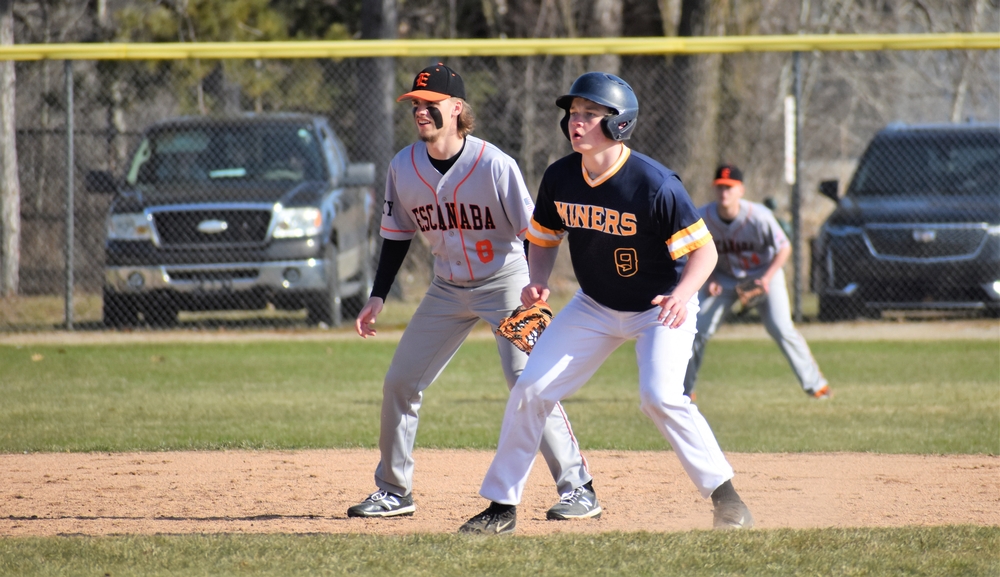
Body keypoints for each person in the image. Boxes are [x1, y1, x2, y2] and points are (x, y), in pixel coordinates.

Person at [458, 72, 754, 535]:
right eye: (573, 114)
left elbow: (706, 252)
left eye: (590, 115)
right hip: (593, 306)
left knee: (659, 397)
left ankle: (728, 500)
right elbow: (543, 237)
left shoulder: (654, 184)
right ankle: (501, 507)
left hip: (659, 308)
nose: (576, 123)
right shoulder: (560, 177)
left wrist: (681, 295)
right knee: (530, 390)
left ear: (619, 124)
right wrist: (536, 281)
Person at [347, 63, 599, 521]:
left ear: (457, 109)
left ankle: (579, 487)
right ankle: (394, 490)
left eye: (431, 105)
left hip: (506, 282)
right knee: (400, 382)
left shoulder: (494, 164)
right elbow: (396, 234)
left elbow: (535, 232)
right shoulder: (402, 166)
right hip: (445, 287)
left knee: (529, 381)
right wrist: (378, 294)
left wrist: (534, 288)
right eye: (416, 105)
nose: (420, 112)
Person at [682, 165, 830, 400]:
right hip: (724, 278)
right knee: (697, 329)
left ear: (741, 190)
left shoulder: (759, 216)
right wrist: (708, 278)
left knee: (781, 328)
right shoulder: (703, 217)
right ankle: (685, 391)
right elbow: (690, 250)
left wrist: (767, 278)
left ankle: (817, 385)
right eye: (720, 187)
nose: (724, 193)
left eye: (730, 188)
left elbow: (784, 247)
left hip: (763, 274)